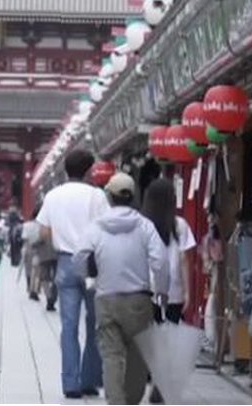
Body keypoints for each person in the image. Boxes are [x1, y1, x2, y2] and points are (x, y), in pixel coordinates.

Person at [75, 173, 169, 406]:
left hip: (106, 298)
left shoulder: (96, 226)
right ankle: (131, 401)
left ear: (109, 196)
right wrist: (162, 290)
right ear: (133, 196)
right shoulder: (145, 226)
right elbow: (160, 261)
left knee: (111, 356)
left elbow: (79, 256)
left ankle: (115, 401)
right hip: (139, 300)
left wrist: (89, 277)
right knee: (137, 356)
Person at [37, 149, 110, 399]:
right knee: (94, 322)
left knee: (68, 325)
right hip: (92, 262)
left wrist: (62, 235)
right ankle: (89, 379)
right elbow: (106, 229)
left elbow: (43, 232)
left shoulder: (53, 195)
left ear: (66, 170)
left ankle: (70, 382)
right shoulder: (97, 196)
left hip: (66, 262)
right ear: (89, 170)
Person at [141, 177, 196, 404]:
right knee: (169, 336)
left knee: (151, 335)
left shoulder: (142, 224)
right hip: (173, 289)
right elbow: (184, 259)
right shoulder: (180, 225)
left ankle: (151, 373)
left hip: (147, 287)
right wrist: (188, 292)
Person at [24, 206, 58, 310]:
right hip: (57, 254)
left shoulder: (41, 226)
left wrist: (34, 244)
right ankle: (53, 297)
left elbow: (38, 239)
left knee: (44, 278)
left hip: (43, 255)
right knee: (56, 278)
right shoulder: (56, 224)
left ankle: (49, 298)